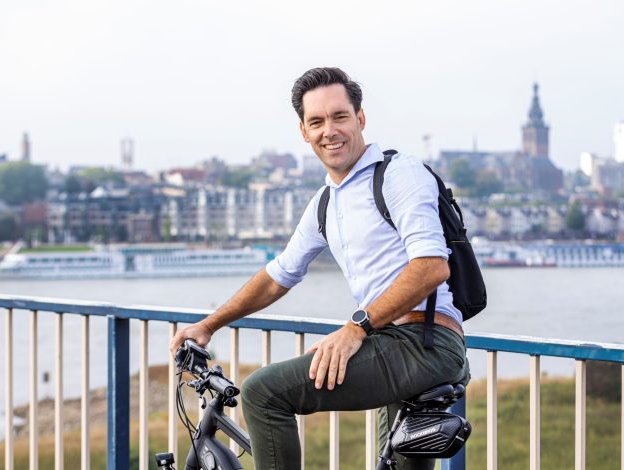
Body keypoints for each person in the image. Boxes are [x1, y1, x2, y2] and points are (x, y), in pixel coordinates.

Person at [170, 67, 469, 470]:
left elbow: (431, 267)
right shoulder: (327, 203)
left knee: (263, 392)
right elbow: (279, 275)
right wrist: (210, 324)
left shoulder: (399, 174)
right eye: (317, 122)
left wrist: (354, 329)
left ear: (360, 119)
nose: (330, 130)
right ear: (304, 132)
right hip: (387, 342)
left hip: (423, 343)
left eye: (340, 117)